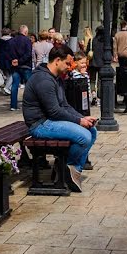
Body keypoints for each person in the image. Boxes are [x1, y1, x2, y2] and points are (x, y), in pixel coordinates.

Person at [23, 44, 97, 192]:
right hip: (40, 125)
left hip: (50, 120)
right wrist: (79, 121)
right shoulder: (43, 80)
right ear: (57, 60)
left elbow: (64, 105)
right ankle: (66, 169)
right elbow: (55, 111)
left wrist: (83, 118)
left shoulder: (56, 79)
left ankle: (71, 168)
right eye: (68, 63)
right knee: (85, 137)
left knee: (92, 130)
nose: (70, 67)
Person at [7, 25, 33, 111]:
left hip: (15, 66)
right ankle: (29, 104)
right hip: (25, 65)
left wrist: (13, 61)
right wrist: (20, 61)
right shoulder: (27, 41)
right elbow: (28, 54)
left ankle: (13, 105)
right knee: (29, 85)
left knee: (14, 85)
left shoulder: (11, 41)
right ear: (25, 32)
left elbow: (8, 53)